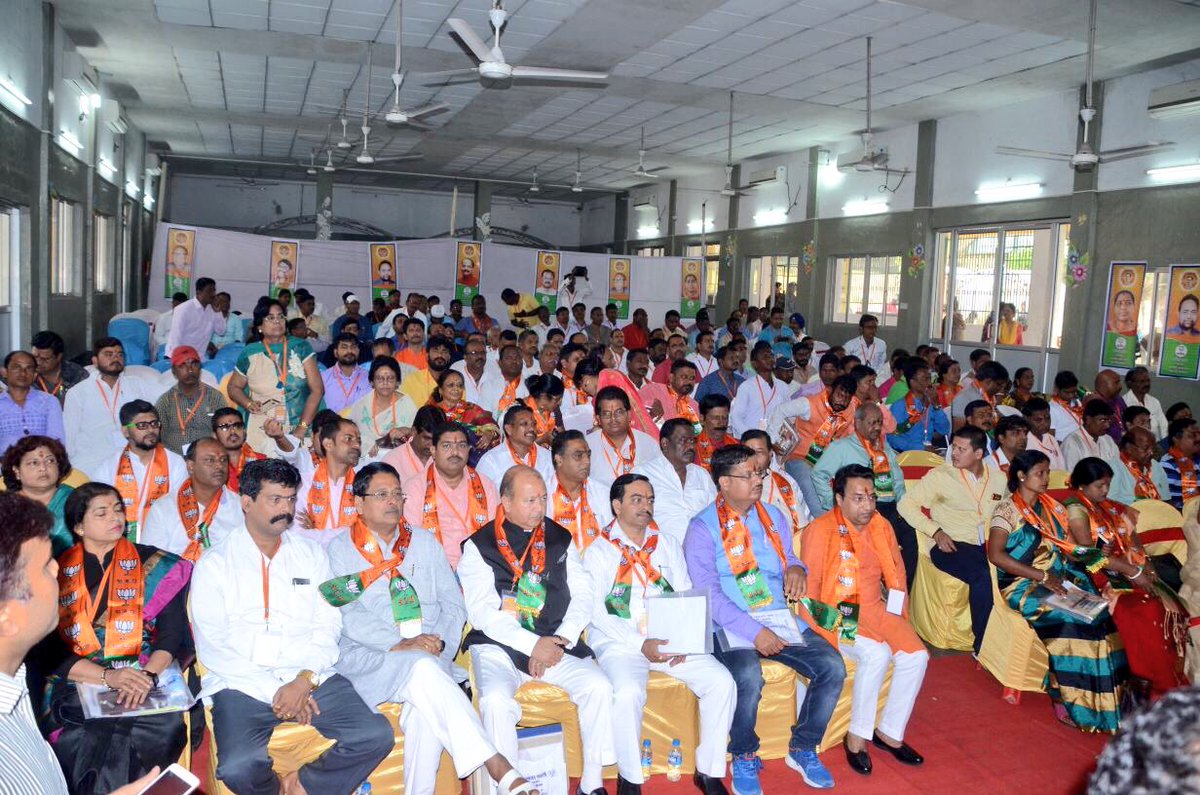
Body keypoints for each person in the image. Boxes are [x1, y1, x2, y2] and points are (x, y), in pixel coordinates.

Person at [322, 463, 538, 795]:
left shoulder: (423, 541)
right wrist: (401, 643)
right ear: (359, 504)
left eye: (397, 493)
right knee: (423, 669)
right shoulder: (339, 550)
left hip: (431, 655)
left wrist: (441, 647)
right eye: (382, 494)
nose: (392, 501)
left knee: (423, 710)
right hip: (374, 657)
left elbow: (453, 605)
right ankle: (496, 763)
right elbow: (346, 615)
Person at [191, 459, 395, 794]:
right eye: (275, 500)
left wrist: (303, 680)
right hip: (242, 682)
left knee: (374, 735)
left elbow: (328, 622)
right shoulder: (215, 564)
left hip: (308, 674)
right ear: (246, 502)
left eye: (290, 499)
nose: (286, 509)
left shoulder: (311, 554)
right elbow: (214, 646)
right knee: (238, 767)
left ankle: (301, 785)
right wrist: (276, 691)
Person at [685, 445, 846, 793]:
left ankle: (803, 747)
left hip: (776, 615)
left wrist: (796, 569)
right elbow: (709, 595)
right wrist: (755, 631)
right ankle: (743, 753)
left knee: (832, 666)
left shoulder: (772, 515)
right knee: (747, 675)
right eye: (748, 475)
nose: (758, 480)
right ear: (724, 482)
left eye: (758, 473)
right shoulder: (701, 528)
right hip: (730, 624)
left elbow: (789, 557)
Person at [458, 466, 616, 795]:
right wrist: (532, 645)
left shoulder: (559, 537)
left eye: (543, 499)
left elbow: (583, 594)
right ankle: (509, 787)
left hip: (555, 641)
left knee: (598, 685)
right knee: (496, 700)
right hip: (499, 645)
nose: (539, 507)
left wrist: (561, 639)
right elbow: (483, 612)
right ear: (505, 502)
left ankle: (592, 783)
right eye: (530, 500)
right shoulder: (479, 546)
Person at [0, 492, 169, 795]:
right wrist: (107, 677)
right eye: (45, 567)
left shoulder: (16, 687)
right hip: (75, 686)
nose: (57, 571)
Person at [584, 474, 736, 795]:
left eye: (650, 500)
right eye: (637, 499)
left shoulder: (665, 543)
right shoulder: (599, 551)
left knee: (722, 681)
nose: (646, 506)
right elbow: (596, 612)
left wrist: (685, 640)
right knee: (627, 692)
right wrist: (640, 643)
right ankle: (630, 777)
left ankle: (709, 771)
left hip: (668, 639)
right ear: (617, 506)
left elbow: (683, 593)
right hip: (621, 642)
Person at [41, 482, 192, 793]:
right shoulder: (53, 572)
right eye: (102, 513)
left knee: (159, 728)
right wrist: (108, 677)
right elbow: (46, 649)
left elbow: (172, 636)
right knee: (84, 732)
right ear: (79, 527)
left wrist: (146, 677)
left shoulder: (155, 564)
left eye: (118, 510)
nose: (115, 518)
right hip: (78, 681)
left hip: (144, 676)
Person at [986, 450, 1128, 732]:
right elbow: (996, 555)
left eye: (1048, 472)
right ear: (1021, 476)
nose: (1046, 478)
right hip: (1022, 583)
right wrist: (1041, 576)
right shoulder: (1006, 510)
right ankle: (1065, 696)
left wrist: (1097, 553)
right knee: (1071, 621)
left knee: (1100, 617)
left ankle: (1108, 705)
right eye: (1040, 473)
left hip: (1057, 578)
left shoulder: (1053, 508)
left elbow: (1072, 552)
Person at [801, 464, 927, 776]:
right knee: (877, 654)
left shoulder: (881, 525)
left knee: (917, 656)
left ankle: (889, 732)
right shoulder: (820, 530)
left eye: (871, 497)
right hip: (836, 613)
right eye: (858, 498)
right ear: (839, 499)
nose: (867, 505)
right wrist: (824, 628)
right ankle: (857, 737)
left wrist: (897, 615)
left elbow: (896, 574)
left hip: (875, 608)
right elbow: (810, 594)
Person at [1065, 457, 1187, 698]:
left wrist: (1147, 567)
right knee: (1143, 610)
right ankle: (1147, 681)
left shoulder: (1110, 507)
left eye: (1107, 485)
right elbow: (1090, 557)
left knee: (1167, 604)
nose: (1105, 490)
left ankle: (1165, 678)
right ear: (1082, 485)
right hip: (1092, 576)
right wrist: (1133, 572)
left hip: (1123, 569)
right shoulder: (1076, 509)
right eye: (1099, 485)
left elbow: (1133, 543)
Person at [897, 426, 1006, 654]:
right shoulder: (941, 476)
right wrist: (935, 531)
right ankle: (983, 646)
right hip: (950, 545)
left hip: (987, 545)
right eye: (953, 447)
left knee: (1012, 570)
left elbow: (1006, 512)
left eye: (961, 449)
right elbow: (905, 505)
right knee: (983, 575)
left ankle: (1011, 637)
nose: (953, 453)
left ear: (978, 454)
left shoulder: (998, 479)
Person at [812, 403, 916, 589]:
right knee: (882, 547)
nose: (877, 427)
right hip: (861, 509)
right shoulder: (842, 447)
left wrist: (905, 508)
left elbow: (898, 482)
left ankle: (900, 594)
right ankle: (878, 591)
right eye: (872, 422)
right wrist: (834, 504)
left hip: (891, 506)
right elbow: (818, 474)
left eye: (879, 422)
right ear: (857, 423)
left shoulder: (885, 448)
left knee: (911, 538)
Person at [228, 301, 324, 453]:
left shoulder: (300, 347)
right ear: (259, 326)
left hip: (299, 427)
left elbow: (317, 390)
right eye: (270, 318)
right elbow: (233, 387)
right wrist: (248, 403)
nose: (277, 321)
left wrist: (302, 428)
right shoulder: (250, 352)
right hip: (262, 429)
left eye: (280, 316)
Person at [403, 422, 498, 568]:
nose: (455, 452)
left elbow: (495, 533)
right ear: (433, 450)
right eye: (447, 446)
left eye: (461, 445)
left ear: (469, 450)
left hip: (480, 569)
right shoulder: (415, 488)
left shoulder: (486, 485)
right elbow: (411, 540)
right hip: (433, 570)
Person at [93, 400, 187, 540]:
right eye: (142, 425)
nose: (150, 430)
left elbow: (182, 508)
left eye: (154, 424)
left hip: (164, 540)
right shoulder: (109, 467)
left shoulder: (176, 463)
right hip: (119, 541)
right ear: (126, 431)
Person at [61, 339, 155, 478]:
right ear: (95, 361)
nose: (115, 358)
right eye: (109, 354)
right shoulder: (78, 392)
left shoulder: (137, 385)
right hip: (89, 463)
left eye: (120, 354)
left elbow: (166, 398)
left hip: (130, 461)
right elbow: (70, 434)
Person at [769, 374, 857, 518]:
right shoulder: (809, 404)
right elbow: (780, 410)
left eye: (846, 398)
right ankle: (826, 522)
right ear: (830, 390)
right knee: (814, 495)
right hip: (799, 459)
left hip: (826, 462)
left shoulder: (849, 411)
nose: (841, 401)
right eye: (839, 395)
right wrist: (772, 440)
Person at [141, 437, 242, 560]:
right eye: (210, 460)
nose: (219, 466)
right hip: (175, 572)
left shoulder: (240, 507)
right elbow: (152, 562)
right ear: (191, 466)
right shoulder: (163, 508)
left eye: (223, 460)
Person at [631, 418, 717, 543]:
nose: (691, 446)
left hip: (702, 547)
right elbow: (633, 518)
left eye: (692, 441)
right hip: (660, 549)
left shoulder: (702, 474)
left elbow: (715, 514)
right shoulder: (643, 474)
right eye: (683, 441)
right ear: (665, 443)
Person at [2, 436, 74, 554]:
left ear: (59, 466)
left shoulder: (76, 500)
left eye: (50, 461)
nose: (43, 468)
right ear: (17, 471)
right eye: (34, 463)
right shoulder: (5, 508)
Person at [293, 417, 361, 542]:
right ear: (328, 444)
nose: (357, 445)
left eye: (358, 440)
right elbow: (298, 535)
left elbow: (368, 531)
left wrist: (316, 532)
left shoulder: (364, 485)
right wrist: (349, 532)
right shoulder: (304, 483)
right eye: (348, 439)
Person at [153, 346, 229, 455]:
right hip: (175, 459)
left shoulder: (215, 397)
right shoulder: (165, 401)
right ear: (174, 371)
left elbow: (225, 431)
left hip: (208, 458)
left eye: (194, 364)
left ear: (200, 367)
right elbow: (156, 435)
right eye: (182, 365)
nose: (190, 370)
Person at [547, 430, 612, 552]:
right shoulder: (543, 495)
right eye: (578, 455)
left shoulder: (603, 493)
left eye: (588, 455)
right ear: (559, 459)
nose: (587, 461)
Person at [587, 386, 660, 493]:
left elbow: (659, 482)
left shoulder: (648, 444)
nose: (613, 419)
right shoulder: (587, 445)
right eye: (606, 414)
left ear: (629, 414)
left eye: (619, 412)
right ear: (598, 418)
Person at [741, 429, 811, 535]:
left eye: (759, 452)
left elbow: (801, 524)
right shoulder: (736, 486)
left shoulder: (783, 482)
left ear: (770, 454)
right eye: (749, 453)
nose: (754, 458)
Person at [347, 356, 418, 461]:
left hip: (399, 460)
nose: (385, 382)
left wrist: (407, 431)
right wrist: (364, 442)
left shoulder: (407, 404)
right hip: (366, 461)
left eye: (390, 378)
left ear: (398, 382)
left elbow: (418, 436)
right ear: (372, 382)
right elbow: (348, 435)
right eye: (380, 378)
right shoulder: (361, 406)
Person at [428, 368, 501, 464]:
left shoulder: (470, 408)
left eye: (460, 385)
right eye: (451, 385)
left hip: (468, 459)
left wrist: (489, 433)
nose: (456, 389)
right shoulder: (431, 410)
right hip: (436, 458)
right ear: (440, 390)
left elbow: (490, 424)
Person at [0, 351, 65, 457]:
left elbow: (56, 441)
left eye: (29, 368)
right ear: (4, 372)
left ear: (35, 375)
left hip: (42, 462)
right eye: (17, 367)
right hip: (4, 463)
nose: (23, 373)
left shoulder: (49, 402)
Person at [477, 404, 556, 486]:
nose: (532, 428)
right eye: (524, 424)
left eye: (534, 424)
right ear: (509, 429)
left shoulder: (548, 458)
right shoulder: (491, 461)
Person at [886, 358, 949, 452]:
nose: (929, 383)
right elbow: (892, 438)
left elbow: (944, 430)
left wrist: (937, 406)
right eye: (925, 379)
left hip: (929, 450)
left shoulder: (931, 403)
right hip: (908, 453)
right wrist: (920, 448)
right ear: (913, 382)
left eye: (929, 378)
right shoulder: (900, 406)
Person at [730, 341, 789, 439]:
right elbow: (736, 417)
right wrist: (750, 437)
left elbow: (788, 414)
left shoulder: (783, 386)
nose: (770, 359)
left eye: (771, 356)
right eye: (765, 357)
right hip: (752, 439)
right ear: (754, 364)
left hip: (776, 439)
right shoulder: (746, 387)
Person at [166, 277, 225, 361]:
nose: (213, 294)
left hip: (199, 357)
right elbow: (176, 337)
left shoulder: (212, 310)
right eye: (209, 290)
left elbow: (221, 332)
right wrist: (179, 360)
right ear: (198, 292)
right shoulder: (183, 309)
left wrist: (218, 312)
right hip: (180, 357)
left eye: (214, 290)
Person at [381, 405, 444, 483]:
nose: (432, 445)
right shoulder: (392, 461)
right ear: (414, 432)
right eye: (427, 438)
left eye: (437, 439)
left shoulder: (445, 458)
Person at [30, 330, 89, 406]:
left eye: (45, 359)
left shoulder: (77, 375)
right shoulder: (26, 374)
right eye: (34, 357)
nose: (38, 362)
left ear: (59, 357)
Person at [1063, 399, 1121, 471]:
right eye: (1102, 420)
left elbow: (1118, 469)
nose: (1107, 425)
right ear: (1088, 420)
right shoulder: (1072, 442)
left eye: (1109, 420)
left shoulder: (1108, 440)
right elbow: (1069, 473)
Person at [950, 361, 1008, 429]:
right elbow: (959, 429)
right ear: (988, 382)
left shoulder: (989, 398)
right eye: (999, 385)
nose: (1001, 389)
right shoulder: (964, 397)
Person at [400, 337, 454, 408]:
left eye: (444, 351)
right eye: (435, 351)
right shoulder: (412, 380)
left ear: (449, 357)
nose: (440, 355)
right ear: (427, 355)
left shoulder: (455, 382)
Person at [1160, 418, 1199, 510]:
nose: (1198, 439)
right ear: (1176, 439)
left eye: (1198, 434)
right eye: (1192, 436)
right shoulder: (1167, 465)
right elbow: (1170, 505)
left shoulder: (1197, 459)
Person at [1123, 366, 1169, 440]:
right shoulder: (1124, 402)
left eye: (1148, 380)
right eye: (1142, 381)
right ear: (1130, 383)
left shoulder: (1154, 402)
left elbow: (1164, 427)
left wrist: (1164, 444)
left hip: (1156, 444)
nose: (1146, 384)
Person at [1022, 397, 1066, 471]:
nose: (1045, 423)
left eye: (1047, 418)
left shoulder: (1051, 438)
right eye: (1038, 420)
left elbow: (1062, 467)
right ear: (1026, 419)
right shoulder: (1023, 440)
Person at [523, 374, 566, 448]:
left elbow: (562, 435)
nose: (559, 403)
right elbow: (519, 445)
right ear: (543, 397)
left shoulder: (555, 409)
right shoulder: (521, 410)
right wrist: (542, 439)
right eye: (557, 399)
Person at [696, 393, 735, 470]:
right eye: (715, 418)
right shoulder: (692, 447)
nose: (721, 422)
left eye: (724, 418)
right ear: (702, 419)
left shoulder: (737, 445)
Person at [1049, 370, 1088, 442]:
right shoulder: (1051, 408)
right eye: (1067, 392)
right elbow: (1051, 438)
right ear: (1057, 389)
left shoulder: (1077, 402)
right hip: (1064, 445)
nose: (1071, 396)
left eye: (1074, 392)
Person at [1093, 369, 1129, 442]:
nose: (1120, 386)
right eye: (1116, 383)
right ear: (1103, 385)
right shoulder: (1094, 403)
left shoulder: (1119, 399)